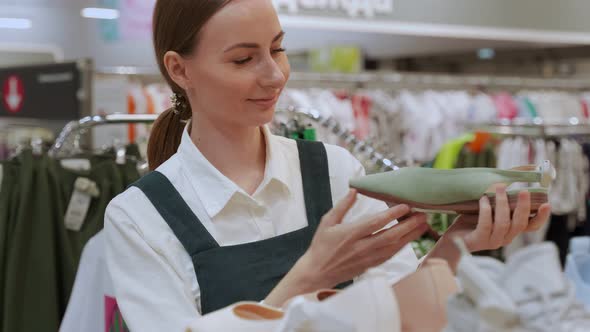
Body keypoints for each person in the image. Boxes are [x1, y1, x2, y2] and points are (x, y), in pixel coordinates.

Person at [104, 0, 552, 331]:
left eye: (277, 50)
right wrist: (309, 277)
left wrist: (461, 240)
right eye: (243, 59)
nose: (275, 75)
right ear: (179, 70)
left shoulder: (335, 169)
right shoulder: (139, 217)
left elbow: (403, 307)